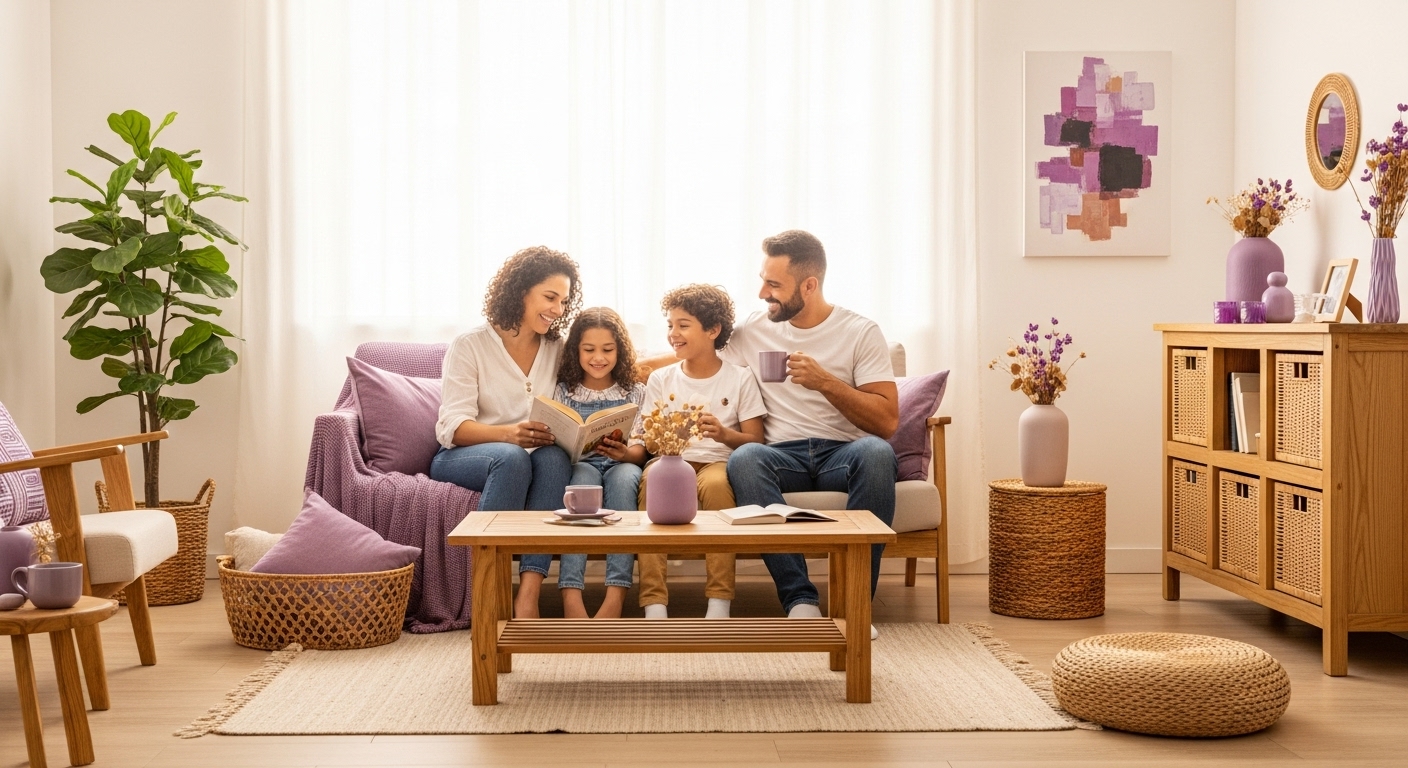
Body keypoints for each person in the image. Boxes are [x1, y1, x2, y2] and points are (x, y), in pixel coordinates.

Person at [722, 230, 899, 630]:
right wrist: (625, 366)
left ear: (809, 285)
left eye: (773, 285)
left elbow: (887, 421)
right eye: (763, 279)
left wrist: (826, 382)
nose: (762, 292)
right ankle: (800, 599)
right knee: (746, 457)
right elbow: (695, 354)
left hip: (843, 453)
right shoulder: (753, 330)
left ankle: (855, 604)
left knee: (876, 453)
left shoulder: (860, 331)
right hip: (782, 454)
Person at [430, 245, 581, 619]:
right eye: (550, 297)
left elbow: (609, 365)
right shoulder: (471, 345)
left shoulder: (556, 348)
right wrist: (508, 434)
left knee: (553, 457)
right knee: (513, 457)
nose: (557, 310)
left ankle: (528, 594)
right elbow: (452, 427)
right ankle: (487, 594)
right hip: (464, 456)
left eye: (563, 301)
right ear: (520, 291)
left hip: (531, 454)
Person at [625, 284, 766, 619]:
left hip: (717, 463)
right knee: (651, 486)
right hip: (670, 462)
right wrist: (662, 438)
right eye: (670, 325)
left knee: (717, 487)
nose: (673, 333)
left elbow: (756, 441)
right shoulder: (661, 379)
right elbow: (648, 441)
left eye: (683, 325)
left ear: (713, 330)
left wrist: (724, 434)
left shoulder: (740, 378)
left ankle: (719, 600)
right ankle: (654, 601)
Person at [538, 308, 646, 619]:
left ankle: (616, 596)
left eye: (607, 350)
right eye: (589, 350)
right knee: (581, 487)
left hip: (622, 464)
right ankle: (571, 596)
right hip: (579, 464)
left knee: (625, 483)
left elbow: (642, 449)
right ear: (576, 351)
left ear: (620, 350)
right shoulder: (564, 390)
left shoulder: (634, 391)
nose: (598, 357)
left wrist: (625, 454)